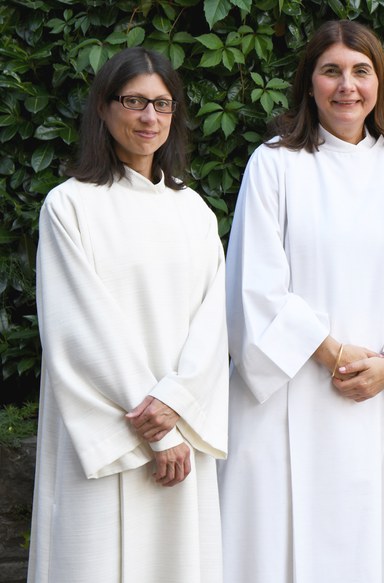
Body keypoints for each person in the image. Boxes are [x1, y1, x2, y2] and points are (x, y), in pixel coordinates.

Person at [217, 19, 384, 583]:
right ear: (309, 83)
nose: (347, 86)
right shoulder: (274, 164)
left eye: (361, 71)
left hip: (382, 401)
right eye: (331, 71)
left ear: (380, 84)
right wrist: (337, 354)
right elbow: (255, 286)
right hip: (287, 394)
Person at [28, 47, 229, 583]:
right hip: (112, 434)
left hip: (180, 431)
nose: (149, 118)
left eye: (162, 105)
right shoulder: (69, 205)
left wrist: (178, 406)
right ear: (104, 107)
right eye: (134, 102)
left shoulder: (195, 210)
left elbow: (214, 325)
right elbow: (81, 328)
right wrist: (157, 429)